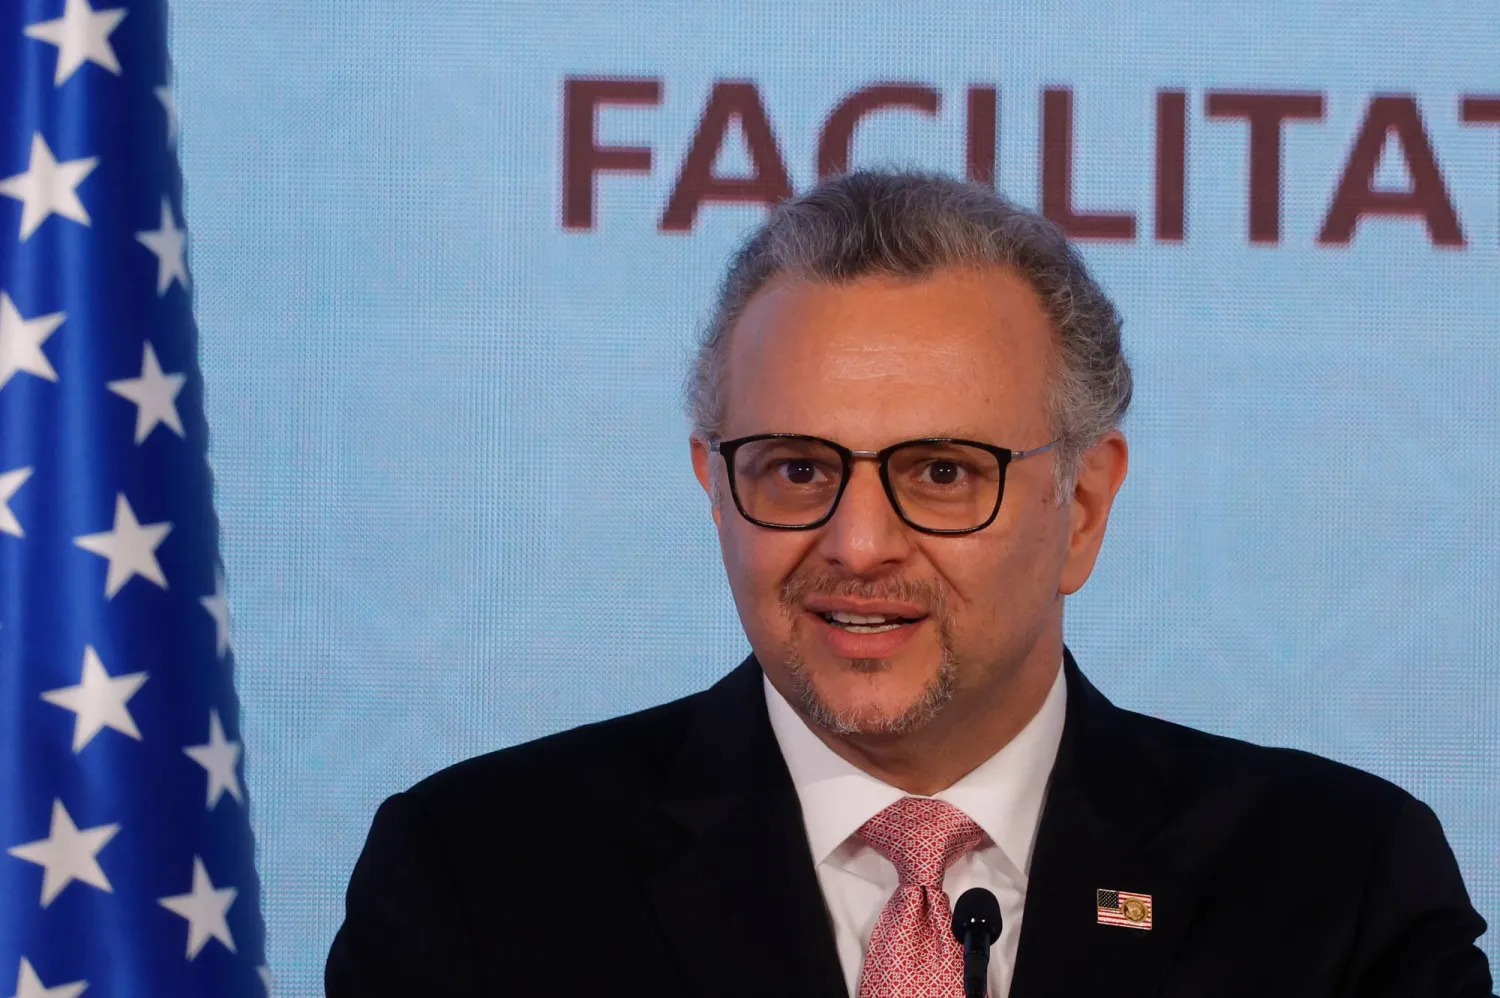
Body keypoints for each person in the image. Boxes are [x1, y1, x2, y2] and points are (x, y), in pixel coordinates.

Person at [324, 170, 1493, 997]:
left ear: (1083, 507)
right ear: (715, 486)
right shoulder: (480, 875)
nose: (858, 542)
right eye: (796, 468)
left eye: (942, 472)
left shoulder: (1334, 884)